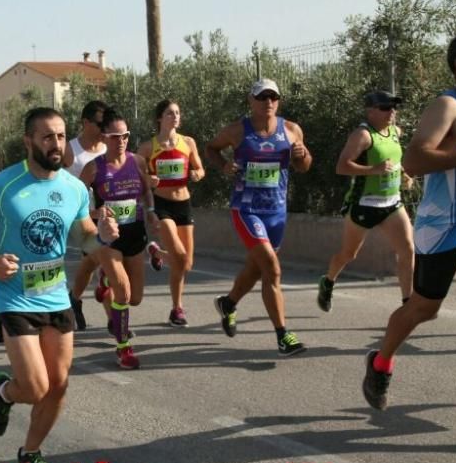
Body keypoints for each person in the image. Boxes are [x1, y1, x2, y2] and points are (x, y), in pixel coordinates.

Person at [0, 107, 117, 463]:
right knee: (36, 386)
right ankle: (4, 392)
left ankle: (30, 453)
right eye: (47, 136)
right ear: (28, 140)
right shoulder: (3, 184)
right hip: (15, 296)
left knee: (58, 386)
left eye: (60, 136)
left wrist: (101, 237)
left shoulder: (75, 188)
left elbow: (83, 239)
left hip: (56, 295)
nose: (56, 144)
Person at [363, 35, 456, 410]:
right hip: (445, 226)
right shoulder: (447, 105)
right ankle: (381, 361)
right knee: (424, 309)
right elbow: (415, 161)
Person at [205, 79, 312, 356]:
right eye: (262, 97)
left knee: (257, 269)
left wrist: (302, 155)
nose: (268, 103)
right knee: (272, 270)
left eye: (273, 97)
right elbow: (211, 149)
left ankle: (228, 303)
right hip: (246, 209)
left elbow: (304, 166)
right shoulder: (237, 130)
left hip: (276, 211)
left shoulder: (291, 130)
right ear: (250, 101)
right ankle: (282, 335)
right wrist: (225, 166)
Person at [318, 91, 414, 313]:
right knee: (349, 254)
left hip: (392, 203)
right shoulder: (362, 135)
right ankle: (328, 280)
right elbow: (342, 167)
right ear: (370, 111)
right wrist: (374, 170)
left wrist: (404, 175)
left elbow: (394, 161)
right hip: (364, 204)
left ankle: (408, 303)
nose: (392, 112)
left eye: (394, 107)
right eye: (385, 108)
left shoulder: (395, 132)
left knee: (408, 249)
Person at [79, 109, 161, 369]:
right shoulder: (94, 168)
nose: (122, 141)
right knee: (123, 294)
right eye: (116, 137)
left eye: (125, 135)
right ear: (105, 138)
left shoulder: (137, 162)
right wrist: (95, 212)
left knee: (135, 298)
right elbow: (77, 203)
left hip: (135, 235)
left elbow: (147, 191)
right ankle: (123, 347)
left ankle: (103, 282)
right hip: (109, 239)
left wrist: (150, 212)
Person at [136, 99, 205, 326]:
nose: (175, 116)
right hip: (162, 205)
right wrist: (149, 179)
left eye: (177, 112)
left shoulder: (188, 142)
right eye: (169, 113)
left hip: (184, 204)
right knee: (180, 257)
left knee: (186, 263)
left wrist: (197, 174)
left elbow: (200, 168)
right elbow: (136, 175)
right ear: (159, 118)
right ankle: (178, 308)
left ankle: (158, 254)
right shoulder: (148, 147)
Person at [62, 100, 107, 331]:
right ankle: (116, 322)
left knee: (90, 264)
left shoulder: (109, 147)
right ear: (86, 123)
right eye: (100, 124)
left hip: (107, 217)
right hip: (80, 218)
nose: (105, 128)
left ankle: (73, 299)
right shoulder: (70, 149)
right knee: (105, 263)